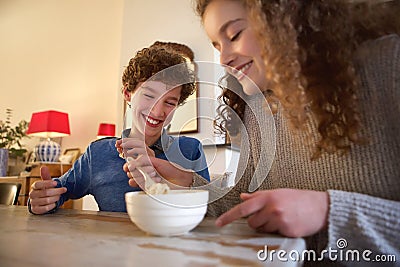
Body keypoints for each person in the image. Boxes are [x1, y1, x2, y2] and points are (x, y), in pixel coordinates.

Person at [123, 0, 400, 265]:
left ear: (286, 15)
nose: (225, 58)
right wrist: (184, 182)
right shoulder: (255, 108)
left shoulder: (389, 65)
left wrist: (330, 211)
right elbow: (242, 201)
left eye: (235, 34)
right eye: (217, 46)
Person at [28, 45, 210, 214]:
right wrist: (42, 200)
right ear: (127, 94)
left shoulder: (190, 150)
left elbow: (210, 208)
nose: (157, 110)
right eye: (148, 95)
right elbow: (57, 192)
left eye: (169, 102)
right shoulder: (98, 153)